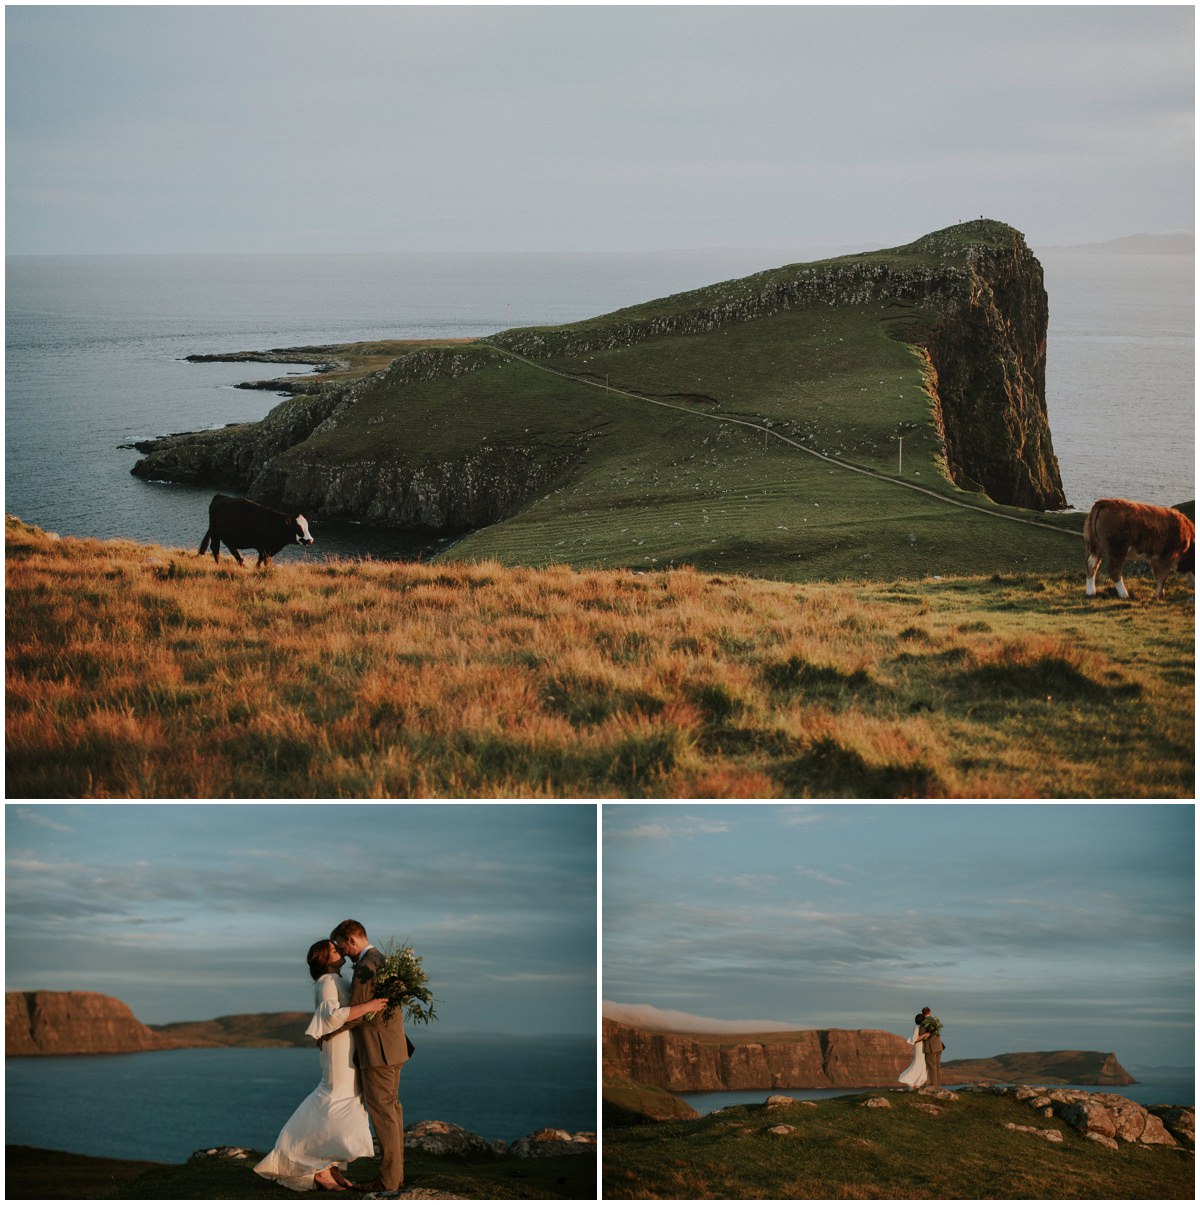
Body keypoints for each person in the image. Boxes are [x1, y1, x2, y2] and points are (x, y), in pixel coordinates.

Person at [254, 940, 387, 1192]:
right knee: (334, 1100)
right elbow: (331, 1016)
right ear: (323, 960)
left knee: (344, 1101)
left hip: (346, 1045)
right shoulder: (327, 982)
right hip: (338, 1048)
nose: (340, 951)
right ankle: (308, 1161)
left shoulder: (335, 980)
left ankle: (327, 1167)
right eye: (334, 951)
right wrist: (371, 1006)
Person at [331, 919, 411, 1194]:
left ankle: (389, 1183)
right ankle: (394, 1177)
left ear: (352, 940)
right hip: (394, 1047)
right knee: (393, 1113)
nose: (343, 954)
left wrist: (327, 1031)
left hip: (377, 1052)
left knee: (385, 1115)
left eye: (342, 947)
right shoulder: (383, 959)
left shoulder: (366, 967)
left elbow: (358, 1011)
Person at [898, 1012, 928, 1091]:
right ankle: (908, 1079)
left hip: (922, 1047)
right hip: (919, 1047)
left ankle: (917, 1084)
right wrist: (925, 1035)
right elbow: (915, 1039)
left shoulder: (920, 1027)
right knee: (918, 1064)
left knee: (922, 1065)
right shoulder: (917, 1028)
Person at [921, 1006, 944, 1089]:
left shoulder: (924, 1022)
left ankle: (933, 1085)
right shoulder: (936, 1021)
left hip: (930, 1047)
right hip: (939, 1045)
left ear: (923, 1014)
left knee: (931, 1066)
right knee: (937, 1065)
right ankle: (938, 1084)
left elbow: (922, 1034)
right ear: (930, 1012)